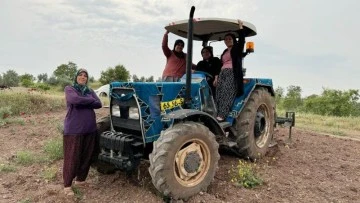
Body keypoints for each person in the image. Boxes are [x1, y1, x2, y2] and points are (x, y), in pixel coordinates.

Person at [62, 68, 102, 196]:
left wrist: (84, 100)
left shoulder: (89, 90)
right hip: (74, 129)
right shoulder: (70, 89)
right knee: (72, 157)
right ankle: (67, 185)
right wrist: (90, 100)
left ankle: (80, 180)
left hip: (90, 129)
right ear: (76, 77)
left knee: (86, 156)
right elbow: (74, 100)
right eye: (80, 75)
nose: (83, 77)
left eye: (85, 76)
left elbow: (99, 104)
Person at [215, 20, 246, 121]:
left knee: (227, 93)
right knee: (219, 92)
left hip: (232, 72)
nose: (227, 40)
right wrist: (217, 76)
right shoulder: (225, 51)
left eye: (229, 38)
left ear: (233, 39)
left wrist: (240, 28)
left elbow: (242, 41)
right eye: (226, 39)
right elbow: (221, 64)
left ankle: (222, 115)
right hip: (222, 73)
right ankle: (216, 113)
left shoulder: (237, 48)